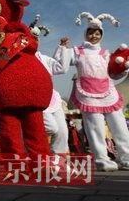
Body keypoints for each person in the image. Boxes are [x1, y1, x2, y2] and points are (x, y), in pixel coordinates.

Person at [55, 12, 129, 171]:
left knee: (120, 125)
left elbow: (113, 74)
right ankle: (102, 159)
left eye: (97, 33)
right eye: (91, 32)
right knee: (95, 127)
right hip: (88, 93)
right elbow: (62, 66)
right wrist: (63, 47)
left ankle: (126, 157)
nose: (94, 35)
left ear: (101, 35)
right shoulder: (77, 51)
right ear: (86, 33)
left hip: (108, 92)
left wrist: (123, 68)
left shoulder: (106, 53)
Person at [29, 15, 71, 154]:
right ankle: (25, 139)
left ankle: (58, 160)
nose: (33, 41)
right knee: (52, 128)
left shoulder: (44, 59)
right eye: (30, 38)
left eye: (36, 38)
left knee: (63, 132)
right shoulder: (20, 59)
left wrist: (62, 48)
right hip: (35, 102)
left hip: (51, 99)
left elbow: (61, 68)